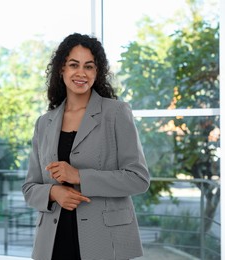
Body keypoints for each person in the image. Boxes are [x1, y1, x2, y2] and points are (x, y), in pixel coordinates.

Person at [22, 33, 150, 260]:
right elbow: (30, 187)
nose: (81, 73)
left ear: (97, 72)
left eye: (89, 66)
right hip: (53, 241)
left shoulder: (117, 113)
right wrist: (53, 192)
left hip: (104, 241)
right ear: (61, 69)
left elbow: (138, 178)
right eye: (74, 65)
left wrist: (79, 176)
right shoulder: (44, 122)